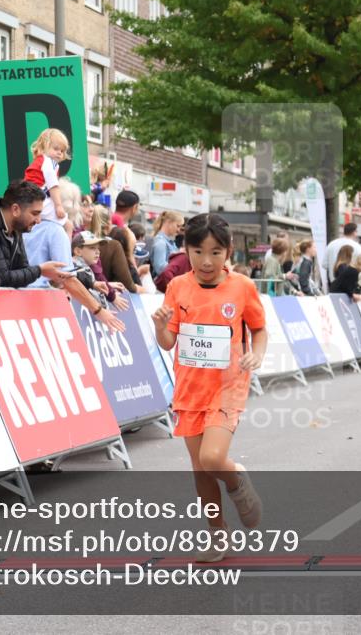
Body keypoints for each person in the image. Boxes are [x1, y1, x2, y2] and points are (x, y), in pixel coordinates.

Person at [151, 213, 267, 562]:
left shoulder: (242, 286)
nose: (206, 261)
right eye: (198, 252)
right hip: (190, 387)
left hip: (228, 385)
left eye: (215, 252)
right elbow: (168, 342)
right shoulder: (177, 287)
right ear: (185, 250)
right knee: (200, 468)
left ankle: (236, 480)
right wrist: (160, 327)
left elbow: (259, 328)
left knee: (212, 458)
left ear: (228, 251)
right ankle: (218, 534)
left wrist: (257, 354)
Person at [0, 179, 70, 290]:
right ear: (15, 209)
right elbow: (2, 277)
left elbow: (23, 272)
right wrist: (40, 270)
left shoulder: (17, 228)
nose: (38, 220)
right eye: (35, 213)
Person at [23, 128, 71, 235]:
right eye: (56, 148)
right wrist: (58, 205)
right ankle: (66, 246)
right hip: (40, 201)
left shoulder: (40, 161)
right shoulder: (48, 163)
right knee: (68, 225)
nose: (59, 153)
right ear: (44, 147)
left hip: (30, 201)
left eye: (62, 151)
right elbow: (53, 186)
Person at [324, 222, 361, 288]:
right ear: (354, 232)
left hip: (333, 283)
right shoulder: (357, 247)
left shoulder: (331, 244)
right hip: (349, 284)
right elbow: (360, 265)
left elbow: (324, 264)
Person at [150, 210, 184, 278]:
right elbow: (160, 268)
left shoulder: (168, 242)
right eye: (177, 226)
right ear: (169, 222)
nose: (178, 230)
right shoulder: (161, 243)